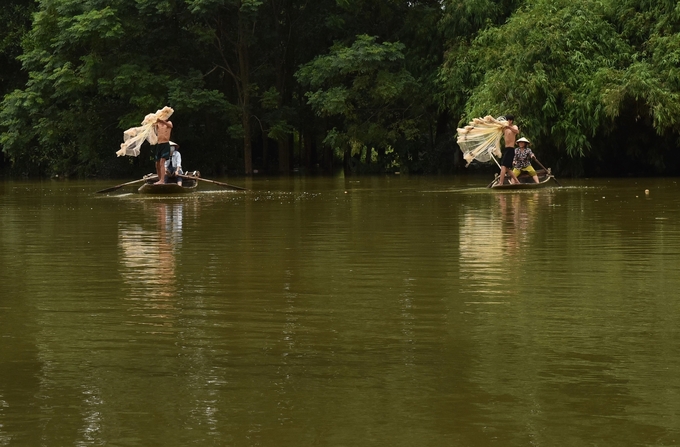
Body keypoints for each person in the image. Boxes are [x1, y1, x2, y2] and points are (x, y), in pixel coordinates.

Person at [151, 118, 173, 184]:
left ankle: (162, 180)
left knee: (162, 162)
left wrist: (162, 121)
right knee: (157, 164)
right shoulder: (158, 124)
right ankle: (160, 179)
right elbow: (152, 126)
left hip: (165, 144)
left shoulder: (169, 123)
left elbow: (170, 126)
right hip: (159, 144)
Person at [499, 115, 520, 185]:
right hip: (506, 149)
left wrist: (509, 127)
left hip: (510, 149)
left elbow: (517, 131)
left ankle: (501, 183)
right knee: (507, 168)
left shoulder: (514, 127)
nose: (507, 121)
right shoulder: (504, 128)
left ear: (511, 121)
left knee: (503, 166)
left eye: (508, 120)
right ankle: (517, 181)